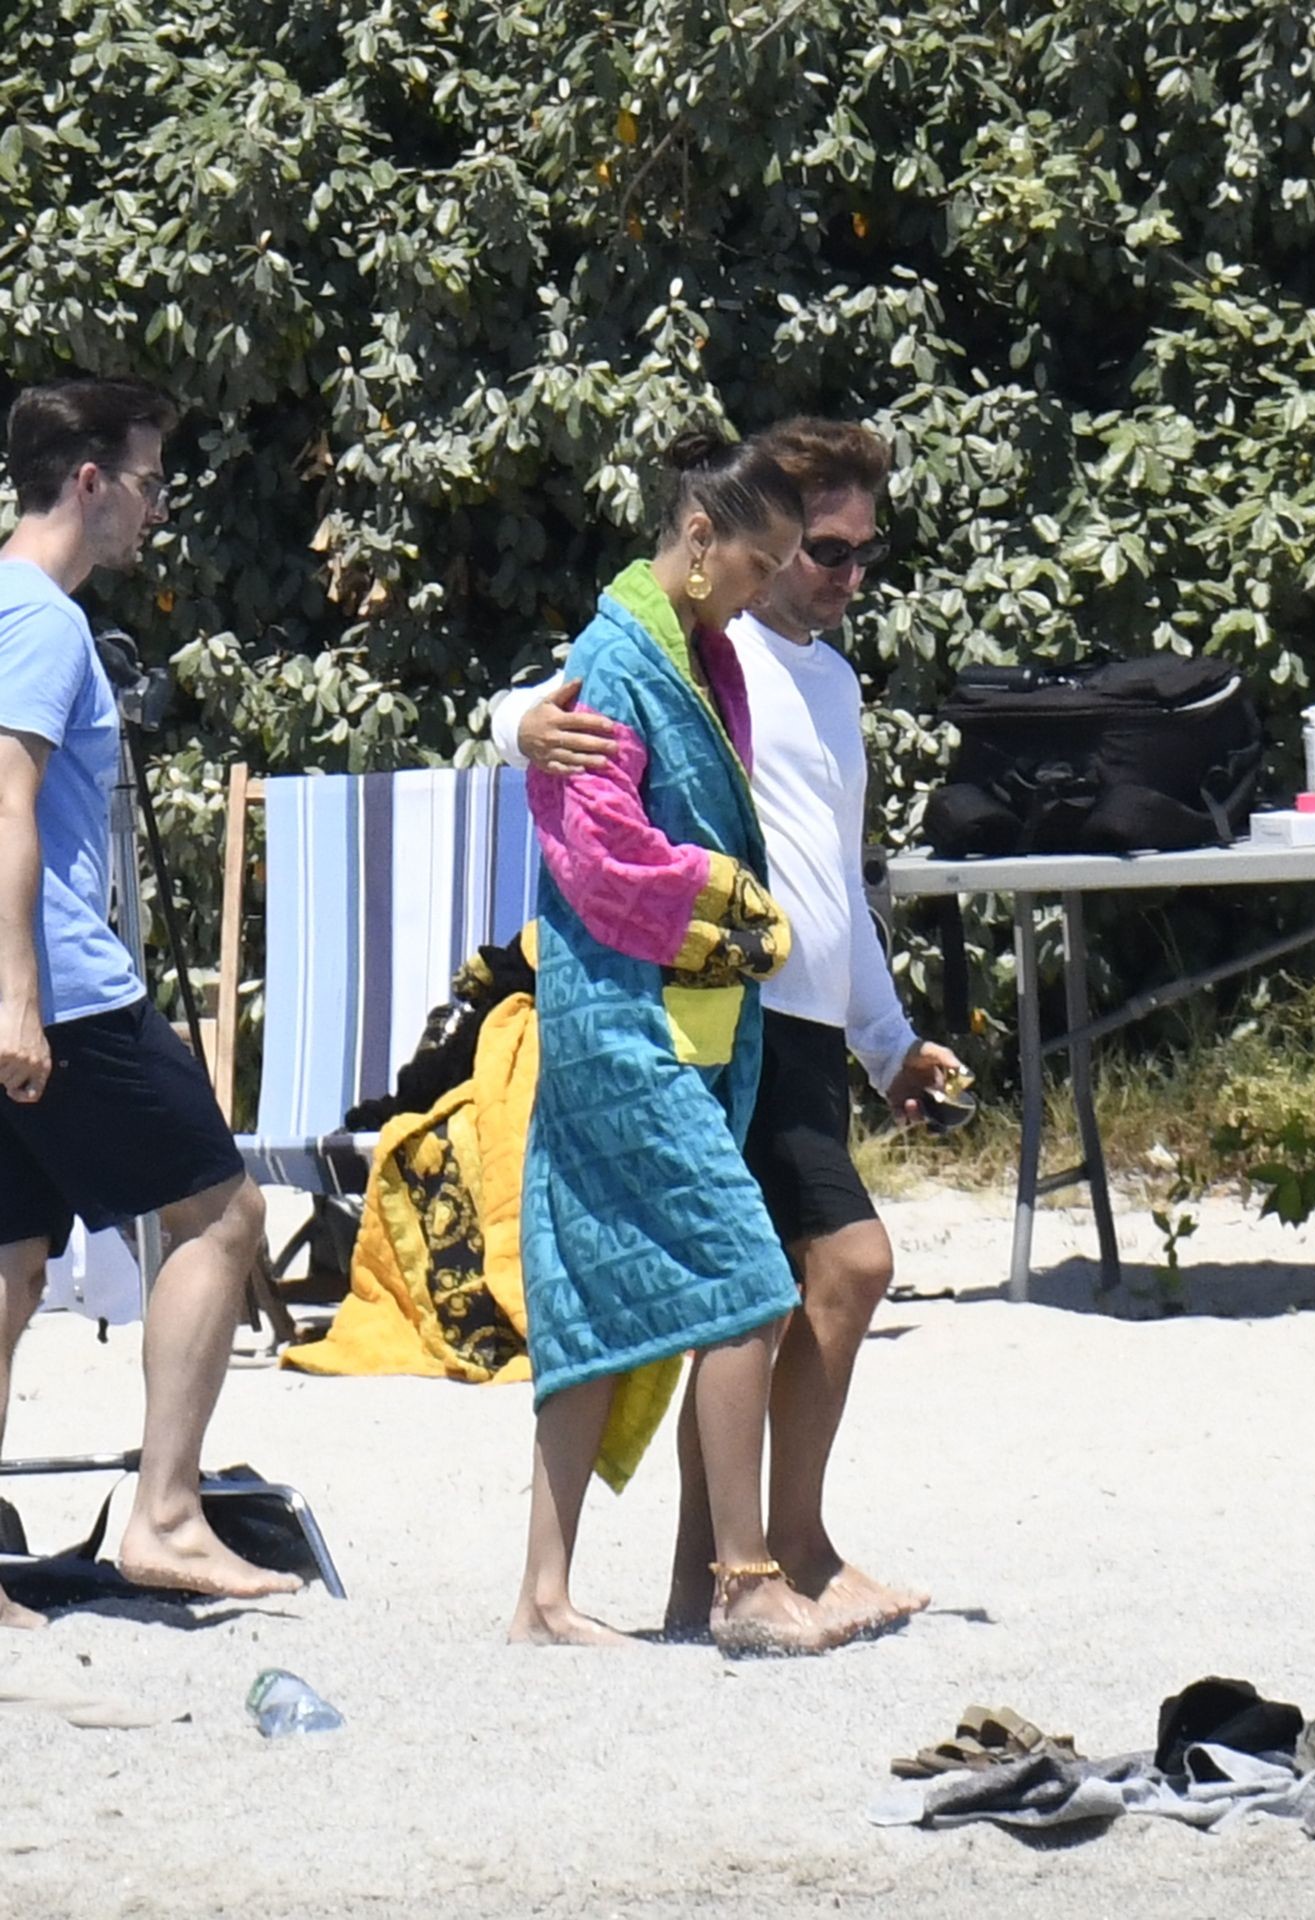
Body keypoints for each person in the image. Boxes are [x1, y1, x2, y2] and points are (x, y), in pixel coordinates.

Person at [493, 417, 961, 1638]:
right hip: (686, 1013)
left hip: (766, 1027)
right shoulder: (700, 640)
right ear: (731, 539)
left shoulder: (774, 668)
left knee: (714, 1291)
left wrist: (885, 1038)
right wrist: (513, 728)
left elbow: (836, 878)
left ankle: (700, 1578)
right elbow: (564, 708)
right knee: (767, 1283)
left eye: (861, 553)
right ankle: (761, 1568)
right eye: (818, 551)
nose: (843, 576)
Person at [509, 430, 842, 1656]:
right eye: (756, 564)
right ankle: (742, 1579)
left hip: (669, 1021)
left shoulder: (696, 654)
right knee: (747, 1283)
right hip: (620, 1023)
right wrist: (720, 900)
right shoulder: (615, 659)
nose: (765, 589)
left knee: (595, 1294)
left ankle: (543, 1600)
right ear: (699, 540)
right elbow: (596, 852)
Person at [0, 376, 300, 1628]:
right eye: (150, 481)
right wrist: (20, 996)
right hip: (59, 989)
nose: (158, 509)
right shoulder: (40, 618)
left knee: (10, 1265)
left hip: (28, 984)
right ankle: (166, 1516)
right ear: (88, 482)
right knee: (223, 1214)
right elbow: (6, 800)